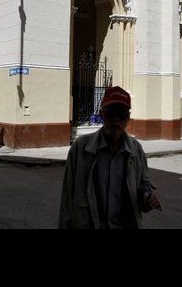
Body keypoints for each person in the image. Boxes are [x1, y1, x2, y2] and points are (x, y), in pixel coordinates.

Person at [59, 86, 162, 229]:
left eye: (122, 114)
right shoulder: (80, 149)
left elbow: (143, 186)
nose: (116, 119)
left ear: (128, 119)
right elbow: (67, 201)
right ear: (101, 114)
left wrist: (147, 197)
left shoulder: (136, 151)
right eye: (111, 113)